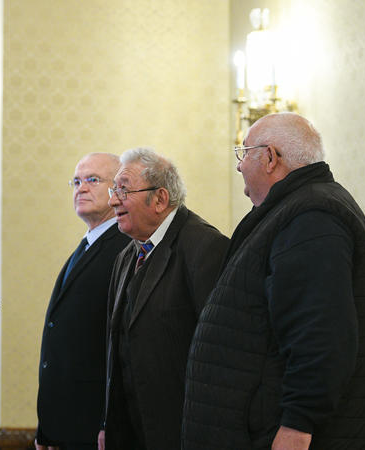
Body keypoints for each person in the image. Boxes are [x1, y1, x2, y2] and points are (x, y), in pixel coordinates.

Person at [182, 112, 365, 449]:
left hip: (277, 435)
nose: (239, 166)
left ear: (270, 157)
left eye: (244, 153)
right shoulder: (293, 211)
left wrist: (297, 424)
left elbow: (320, 331)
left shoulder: (313, 217)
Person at [99, 148, 229, 450]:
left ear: (160, 198)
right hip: (129, 434)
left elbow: (220, 352)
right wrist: (107, 424)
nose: (113, 200)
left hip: (182, 433)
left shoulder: (205, 247)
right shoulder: (126, 256)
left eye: (123, 190)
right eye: (113, 190)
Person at [35, 153, 131, 450]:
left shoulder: (126, 248)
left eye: (92, 180)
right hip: (65, 424)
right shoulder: (88, 245)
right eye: (76, 181)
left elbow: (122, 345)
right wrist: (47, 427)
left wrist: (108, 422)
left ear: (119, 189)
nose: (81, 188)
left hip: (96, 425)